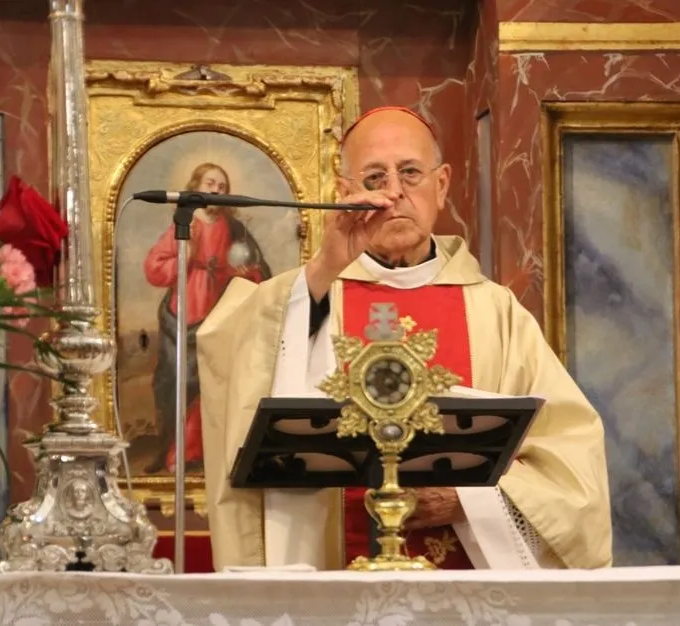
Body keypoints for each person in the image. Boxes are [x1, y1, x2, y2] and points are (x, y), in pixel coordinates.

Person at [195, 107, 612, 571]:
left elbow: (570, 458)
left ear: (442, 184)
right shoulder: (306, 295)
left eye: (410, 172)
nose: (394, 192)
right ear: (344, 193)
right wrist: (321, 271)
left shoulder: (496, 312)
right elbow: (231, 362)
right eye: (374, 178)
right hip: (334, 577)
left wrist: (470, 500)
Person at [142, 162, 271, 474]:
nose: (216, 191)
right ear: (195, 187)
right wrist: (182, 259)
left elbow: (257, 269)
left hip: (220, 318)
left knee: (211, 386)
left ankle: (198, 452)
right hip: (180, 316)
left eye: (222, 186)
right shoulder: (184, 225)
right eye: (210, 184)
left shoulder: (235, 229)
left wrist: (247, 274)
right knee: (175, 383)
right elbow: (154, 267)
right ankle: (171, 451)